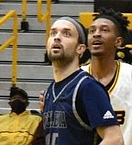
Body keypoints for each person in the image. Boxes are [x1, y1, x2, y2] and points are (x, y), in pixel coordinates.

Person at [38, 17, 121, 145]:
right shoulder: (50, 91)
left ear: (80, 48)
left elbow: (115, 139)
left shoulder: (87, 86)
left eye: (67, 34)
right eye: (53, 33)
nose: (57, 37)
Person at [83, 8, 132, 143]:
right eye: (92, 31)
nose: (96, 34)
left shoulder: (130, 76)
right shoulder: (76, 78)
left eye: (104, 30)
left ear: (118, 41)